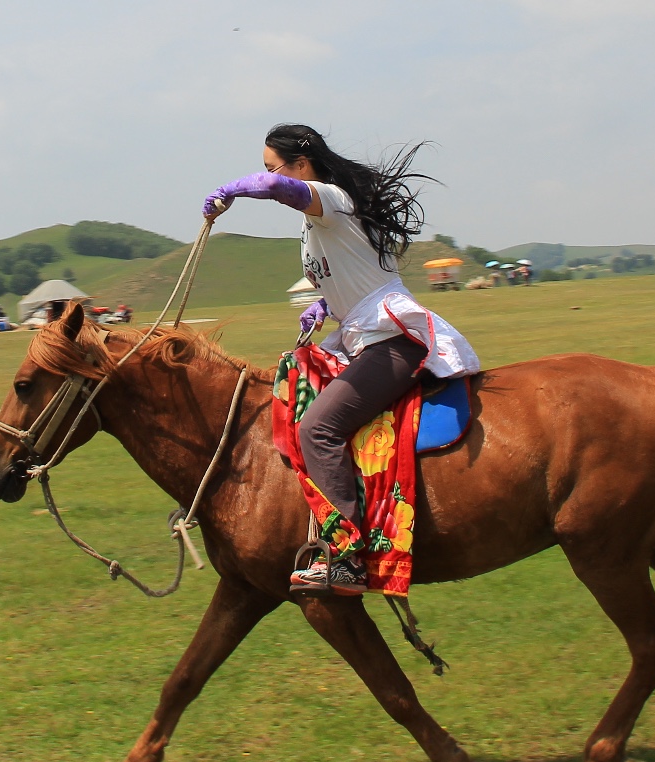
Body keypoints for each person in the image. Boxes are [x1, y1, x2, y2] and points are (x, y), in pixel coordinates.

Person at [204, 123, 480, 595]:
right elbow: (352, 276)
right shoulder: (318, 225)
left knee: (319, 428)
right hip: (358, 332)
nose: (270, 174)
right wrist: (326, 306)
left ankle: (347, 558)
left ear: (302, 166)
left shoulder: (332, 199)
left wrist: (233, 190)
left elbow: (274, 187)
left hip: (390, 336)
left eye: (274, 164)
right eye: (267, 167)